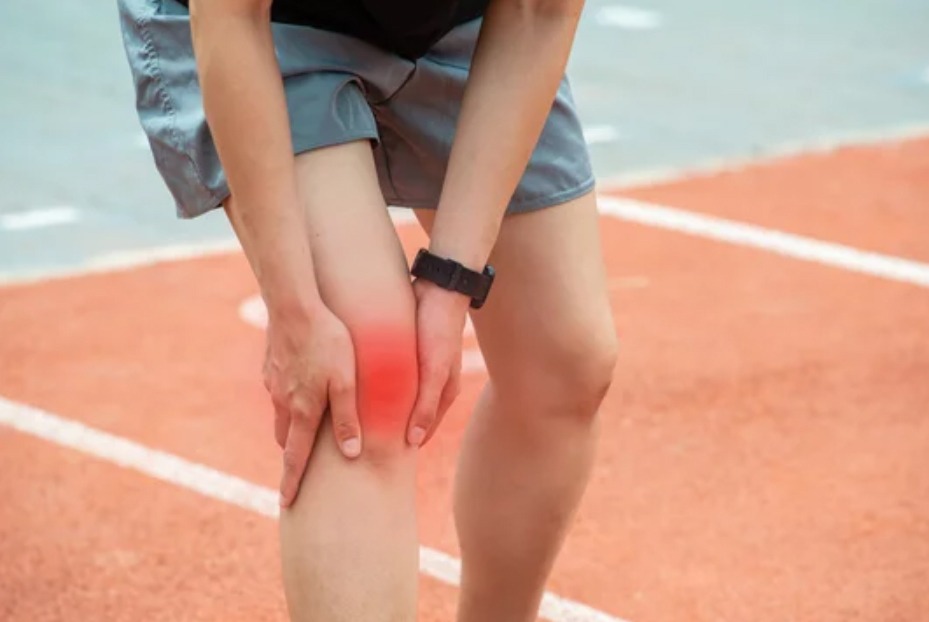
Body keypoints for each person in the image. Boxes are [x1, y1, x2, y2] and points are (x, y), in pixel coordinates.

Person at [117, 0, 617, 619]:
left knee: (563, 362)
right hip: (266, 26)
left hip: (460, 21)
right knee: (364, 365)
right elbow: (231, 20)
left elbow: (539, 12)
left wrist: (453, 276)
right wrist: (295, 311)